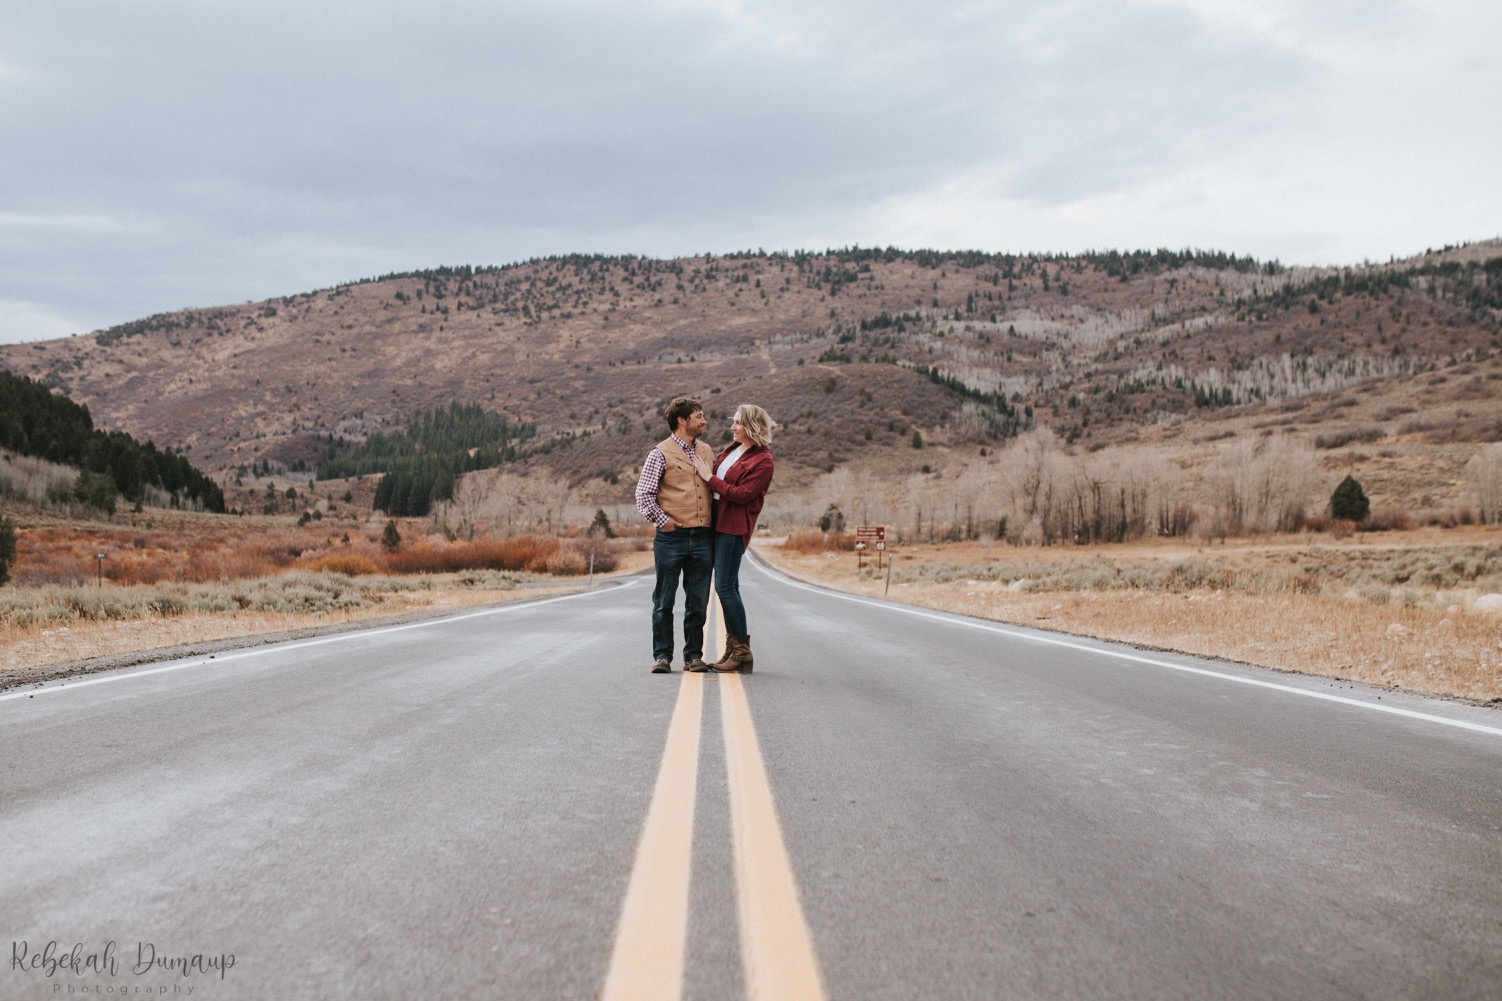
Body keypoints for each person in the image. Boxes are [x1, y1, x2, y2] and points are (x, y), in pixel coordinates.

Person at [688, 403, 776, 674]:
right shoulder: (732, 450)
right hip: (715, 525)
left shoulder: (763, 461)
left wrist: (709, 477)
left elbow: (741, 495)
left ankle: (742, 653)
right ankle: (733, 648)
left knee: (726, 588)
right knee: (727, 588)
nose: (732, 427)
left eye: (737, 423)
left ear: (750, 426)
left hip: (733, 528)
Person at [634, 397, 716, 674]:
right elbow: (643, 495)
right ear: (682, 420)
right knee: (664, 600)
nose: (704, 421)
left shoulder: (706, 450)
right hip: (671, 538)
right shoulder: (659, 453)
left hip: (703, 537)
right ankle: (662, 656)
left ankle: (693, 656)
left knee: (698, 601)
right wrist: (663, 520)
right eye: (699, 416)